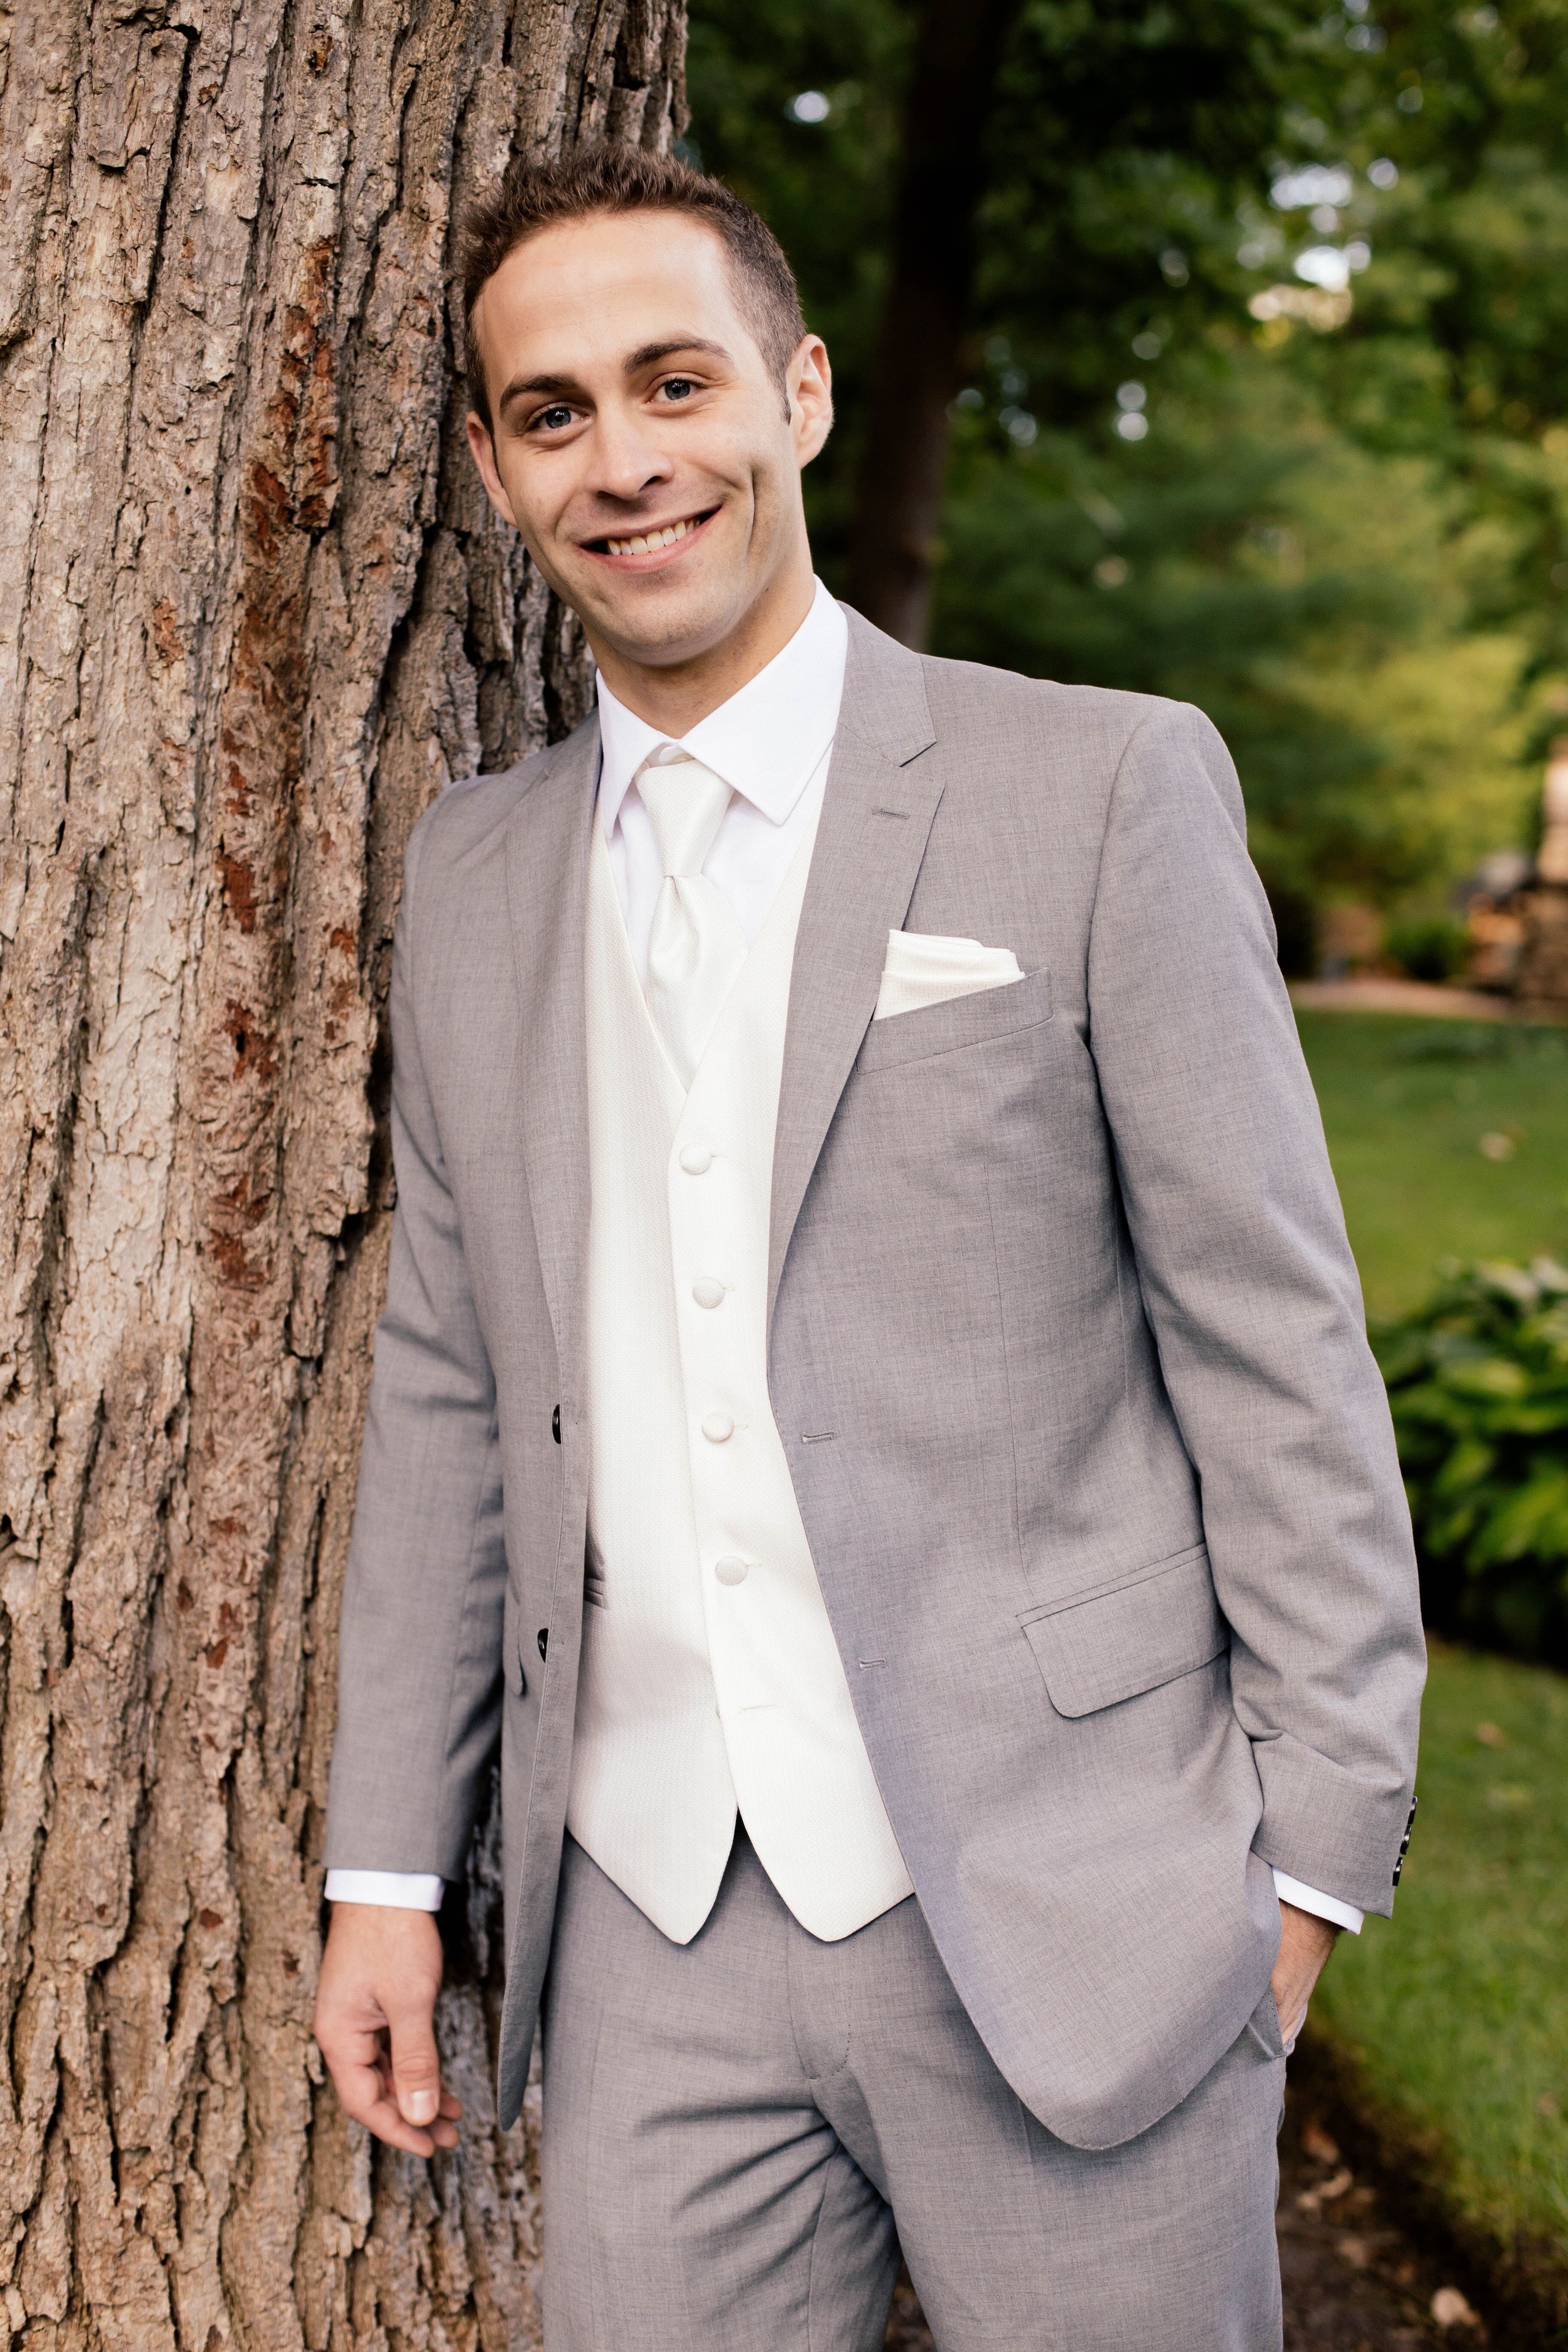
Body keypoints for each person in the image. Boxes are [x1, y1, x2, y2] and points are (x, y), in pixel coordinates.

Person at [315, 144, 1424, 2350]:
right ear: (493, 462)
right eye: (554, 414)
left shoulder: (1099, 789)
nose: (625, 463)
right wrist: (385, 1870)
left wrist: (1305, 1875)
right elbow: (451, 1370)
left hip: (1070, 1890)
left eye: (674, 382)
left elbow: (1272, 1338)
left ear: (799, 396)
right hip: (645, 1925)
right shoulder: (477, 872)